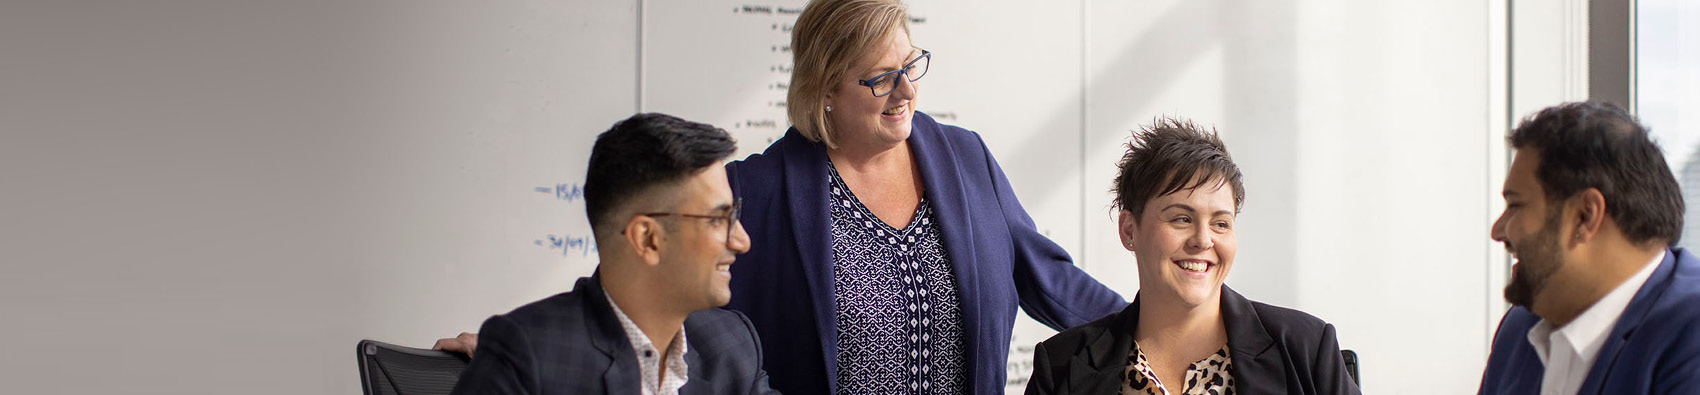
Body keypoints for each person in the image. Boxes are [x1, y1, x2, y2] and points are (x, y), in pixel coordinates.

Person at [440, 1, 1127, 393]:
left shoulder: (964, 158)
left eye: (911, 66)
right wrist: (526, 347)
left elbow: (1053, 279)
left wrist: (1162, 334)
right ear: (825, 88)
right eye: (880, 78)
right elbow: (648, 276)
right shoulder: (760, 189)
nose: (907, 90)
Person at [1025, 117, 1361, 395]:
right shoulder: (1061, 368)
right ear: (1129, 230)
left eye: (1220, 223)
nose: (1203, 240)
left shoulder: (1306, 350)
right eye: (1181, 219)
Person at [449, 113, 779, 395]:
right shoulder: (527, 358)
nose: (741, 240)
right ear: (647, 239)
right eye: (718, 218)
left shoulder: (731, 345)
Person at [1478, 101, 1700, 394]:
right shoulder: (1520, 329)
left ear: (1585, 216)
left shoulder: (1690, 334)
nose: (1498, 230)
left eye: (1516, 205)